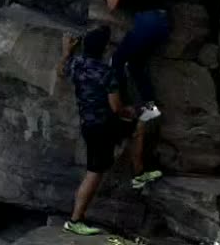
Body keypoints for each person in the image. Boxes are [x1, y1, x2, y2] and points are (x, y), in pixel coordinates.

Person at [58, 26, 155, 237]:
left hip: (89, 125)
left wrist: (66, 52)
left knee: (136, 128)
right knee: (94, 173)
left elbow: (61, 72)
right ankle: (75, 220)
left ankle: (139, 173)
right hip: (104, 126)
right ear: (103, 50)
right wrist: (130, 110)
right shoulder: (105, 72)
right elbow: (116, 108)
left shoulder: (77, 65)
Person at [104, 0, 187, 123]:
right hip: (163, 22)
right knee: (135, 63)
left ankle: (120, 107)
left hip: (145, 23)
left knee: (116, 60)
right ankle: (151, 109)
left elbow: (112, 5)